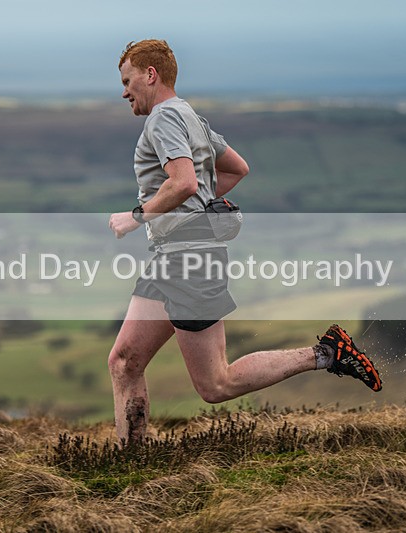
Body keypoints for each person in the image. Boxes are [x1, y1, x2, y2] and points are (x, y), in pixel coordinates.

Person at [107, 39, 381, 446]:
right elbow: (237, 168)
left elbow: (183, 182)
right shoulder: (191, 118)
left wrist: (135, 217)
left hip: (188, 259)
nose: (124, 91)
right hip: (175, 256)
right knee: (125, 362)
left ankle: (327, 353)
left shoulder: (162, 119)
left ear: (151, 74)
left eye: (128, 80)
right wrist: (201, 203)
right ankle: (130, 460)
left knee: (216, 384)